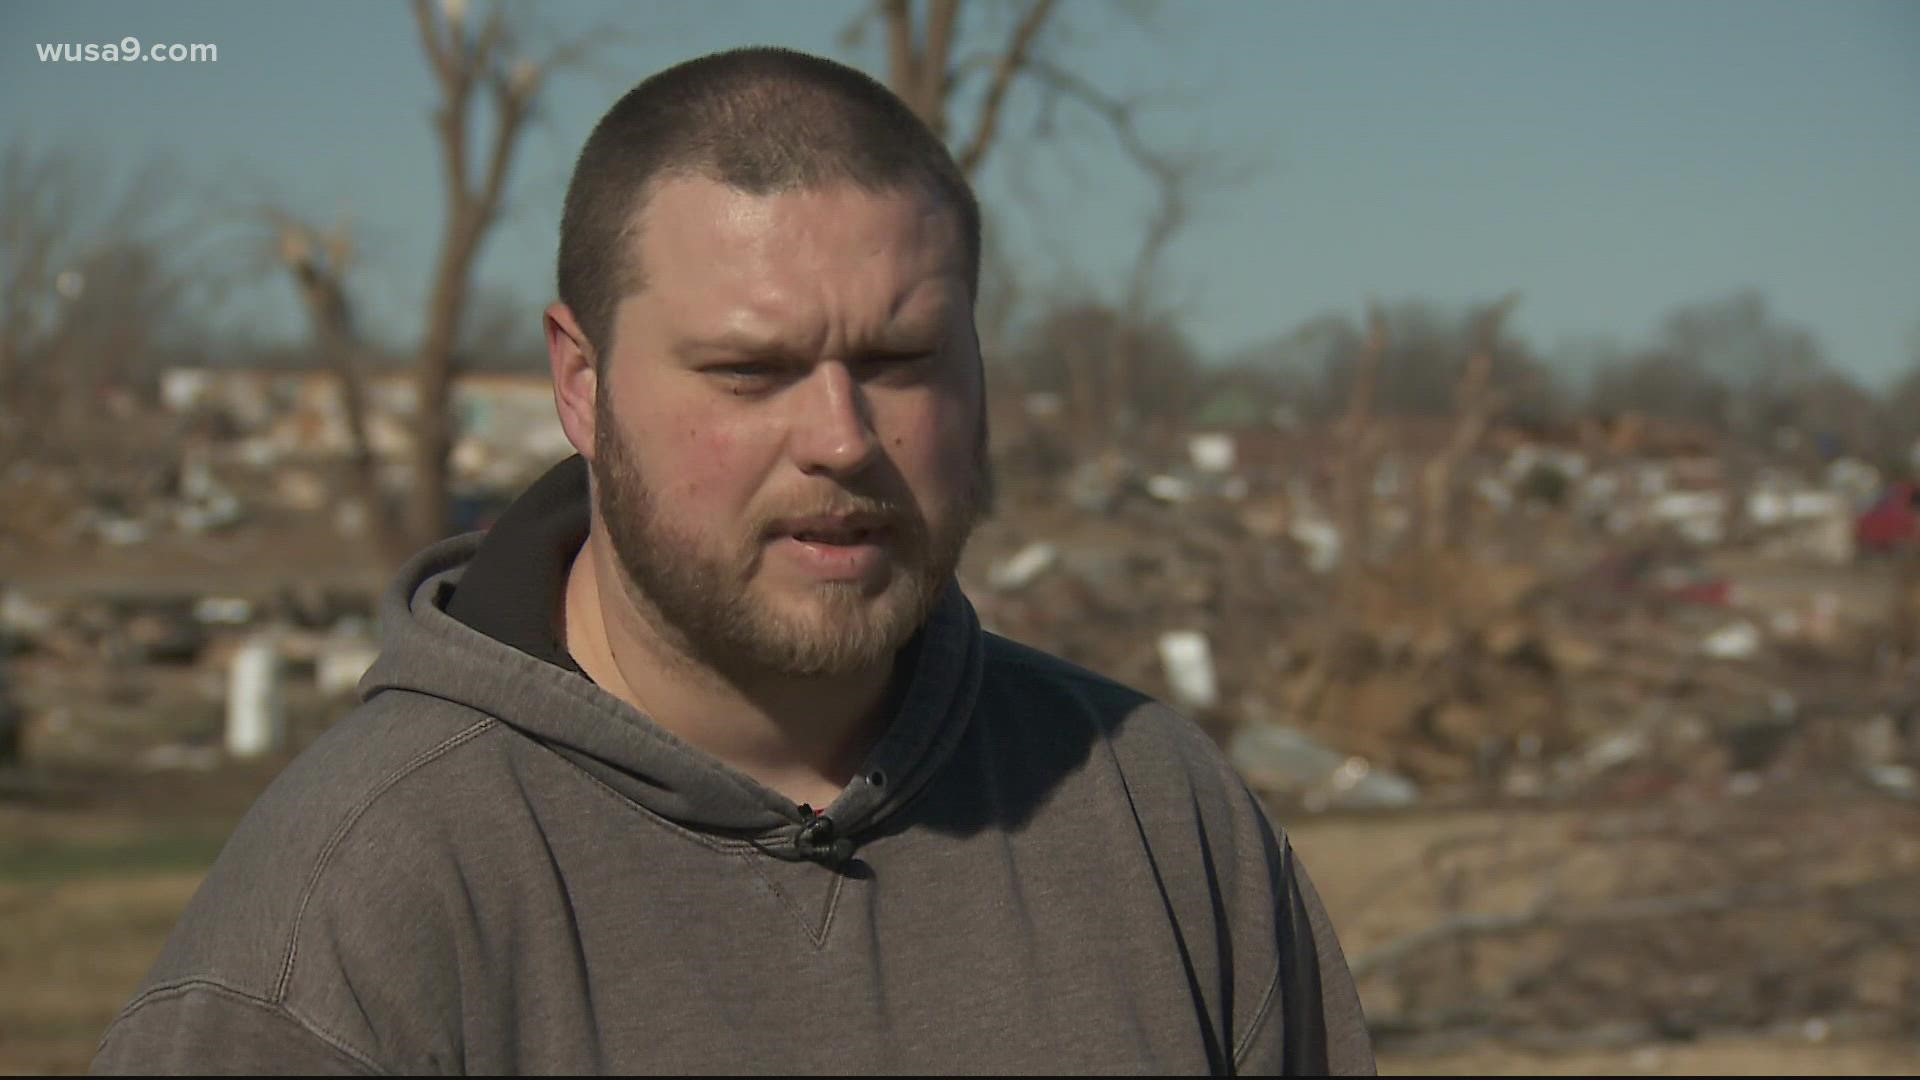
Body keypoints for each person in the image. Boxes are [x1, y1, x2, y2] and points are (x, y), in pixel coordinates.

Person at [93, 47, 1374, 1075]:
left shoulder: (1149, 812)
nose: (841, 440)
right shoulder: (352, 920)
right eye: (750, 370)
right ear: (582, 383)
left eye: (900, 360)